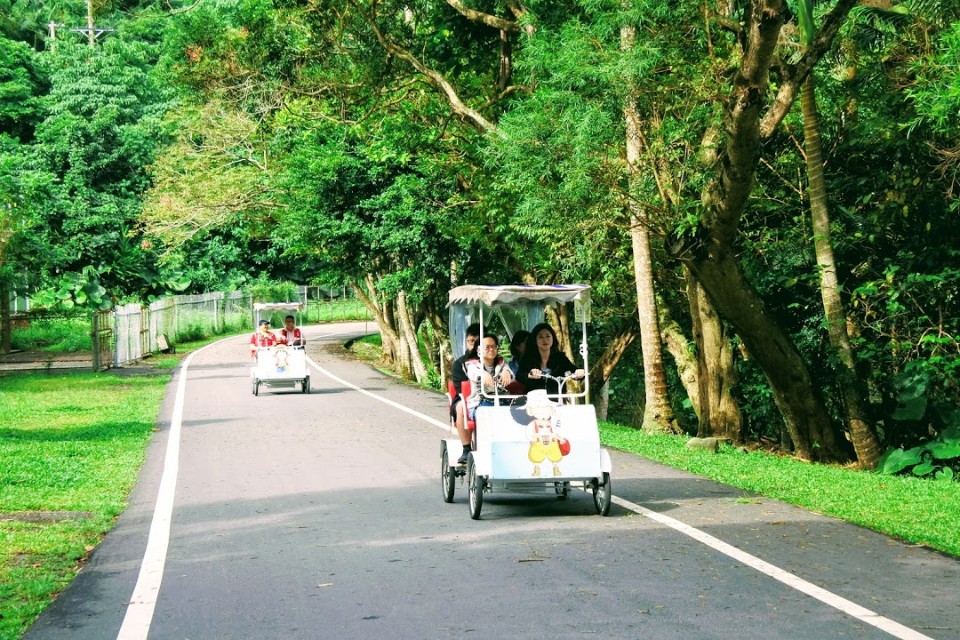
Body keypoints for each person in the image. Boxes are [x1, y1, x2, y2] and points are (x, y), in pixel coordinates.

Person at [516, 322, 584, 396]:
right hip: (534, 401)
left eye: (548, 336)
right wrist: (529, 375)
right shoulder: (528, 358)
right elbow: (519, 375)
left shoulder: (560, 358)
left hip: (557, 400)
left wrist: (580, 373)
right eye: (541, 337)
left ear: (553, 338)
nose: (545, 340)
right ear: (535, 340)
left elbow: (575, 371)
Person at [465, 334, 513, 423]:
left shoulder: (502, 363)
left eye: (494, 346)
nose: (491, 349)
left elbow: (510, 374)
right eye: (487, 347)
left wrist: (507, 372)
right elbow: (474, 374)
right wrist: (483, 374)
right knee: (492, 416)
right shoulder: (472, 365)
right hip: (479, 403)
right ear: (479, 350)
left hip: (501, 402)